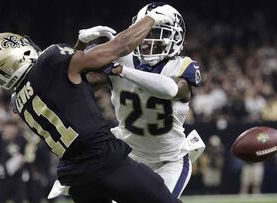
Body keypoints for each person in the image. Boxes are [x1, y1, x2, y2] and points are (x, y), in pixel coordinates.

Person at [0, 5, 182, 203]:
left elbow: (69, 82)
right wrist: (152, 19)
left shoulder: (19, 101)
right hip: (104, 159)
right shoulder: (50, 61)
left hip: (74, 175)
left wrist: (80, 44)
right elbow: (120, 47)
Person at [79, 2, 205, 197]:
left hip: (170, 162)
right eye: (147, 33)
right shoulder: (122, 58)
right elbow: (75, 78)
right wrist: (80, 47)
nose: (149, 40)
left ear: (176, 38)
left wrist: (122, 71)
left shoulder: (182, 66)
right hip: (128, 157)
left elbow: (170, 89)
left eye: (158, 33)